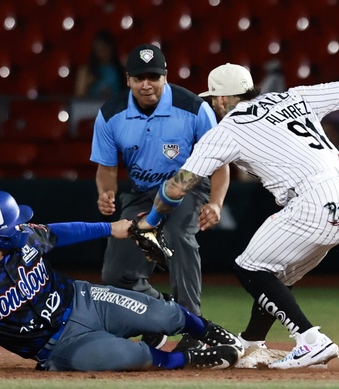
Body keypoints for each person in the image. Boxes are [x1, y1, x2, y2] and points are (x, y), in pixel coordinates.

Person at [137, 54, 339, 369]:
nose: (215, 105)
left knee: (249, 268)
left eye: (214, 99)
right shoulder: (293, 96)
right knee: (274, 275)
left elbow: (179, 185)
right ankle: (251, 343)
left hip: (315, 201)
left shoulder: (227, 129)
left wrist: (149, 221)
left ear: (220, 97)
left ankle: (311, 340)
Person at [0, 190, 244, 373]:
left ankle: (214, 332)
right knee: (134, 358)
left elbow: (63, 230)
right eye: (13, 223)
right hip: (58, 346)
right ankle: (189, 357)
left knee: (163, 314)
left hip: (84, 299)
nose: (22, 223)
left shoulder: (23, 235)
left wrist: (112, 227)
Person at [90, 43, 230, 351]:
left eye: (153, 76)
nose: (146, 84)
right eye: (139, 77)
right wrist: (106, 192)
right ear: (127, 79)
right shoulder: (111, 114)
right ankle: (156, 314)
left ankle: (194, 328)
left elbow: (220, 164)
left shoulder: (193, 108)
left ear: (165, 77)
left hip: (188, 189)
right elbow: (106, 167)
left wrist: (216, 202)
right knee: (117, 276)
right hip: (141, 193)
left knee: (179, 236)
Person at [73, 30, 126, 100]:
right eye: (99, 50)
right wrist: (87, 85)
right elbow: (78, 97)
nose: (102, 54)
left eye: (105, 49)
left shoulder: (122, 70)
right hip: (92, 109)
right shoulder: (86, 71)